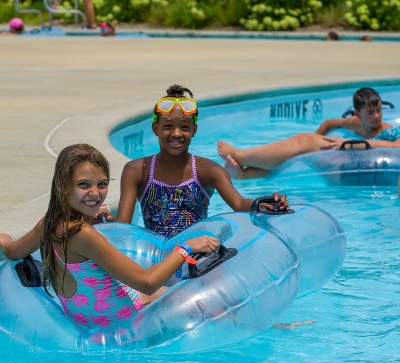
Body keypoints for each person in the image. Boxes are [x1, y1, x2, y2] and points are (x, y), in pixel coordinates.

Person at [0, 144, 219, 329]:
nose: (95, 193)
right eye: (84, 185)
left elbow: (11, 251)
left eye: (102, 184)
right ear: (62, 185)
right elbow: (147, 282)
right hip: (126, 318)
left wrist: (4, 238)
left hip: (90, 315)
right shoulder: (82, 234)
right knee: (215, 307)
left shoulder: (48, 224)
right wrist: (186, 248)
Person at [108, 84, 289, 238]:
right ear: (155, 128)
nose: (177, 133)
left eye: (185, 127)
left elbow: (238, 204)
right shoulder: (138, 170)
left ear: (194, 129)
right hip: (157, 257)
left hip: (199, 255)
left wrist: (263, 203)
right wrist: (104, 219)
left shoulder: (208, 170)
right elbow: (123, 224)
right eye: (168, 126)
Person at [218, 87, 400, 179]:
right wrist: (317, 137)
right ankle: (246, 174)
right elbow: (329, 123)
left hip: (363, 161)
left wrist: (347, 143)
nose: (376, 116)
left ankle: (240, 156)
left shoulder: (387, 131)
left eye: (379, 111)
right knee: (305, 145)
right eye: (370, 113)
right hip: (347, 155)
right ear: (358, 114)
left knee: (305, 142)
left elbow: (395, 146)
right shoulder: (354, 123)